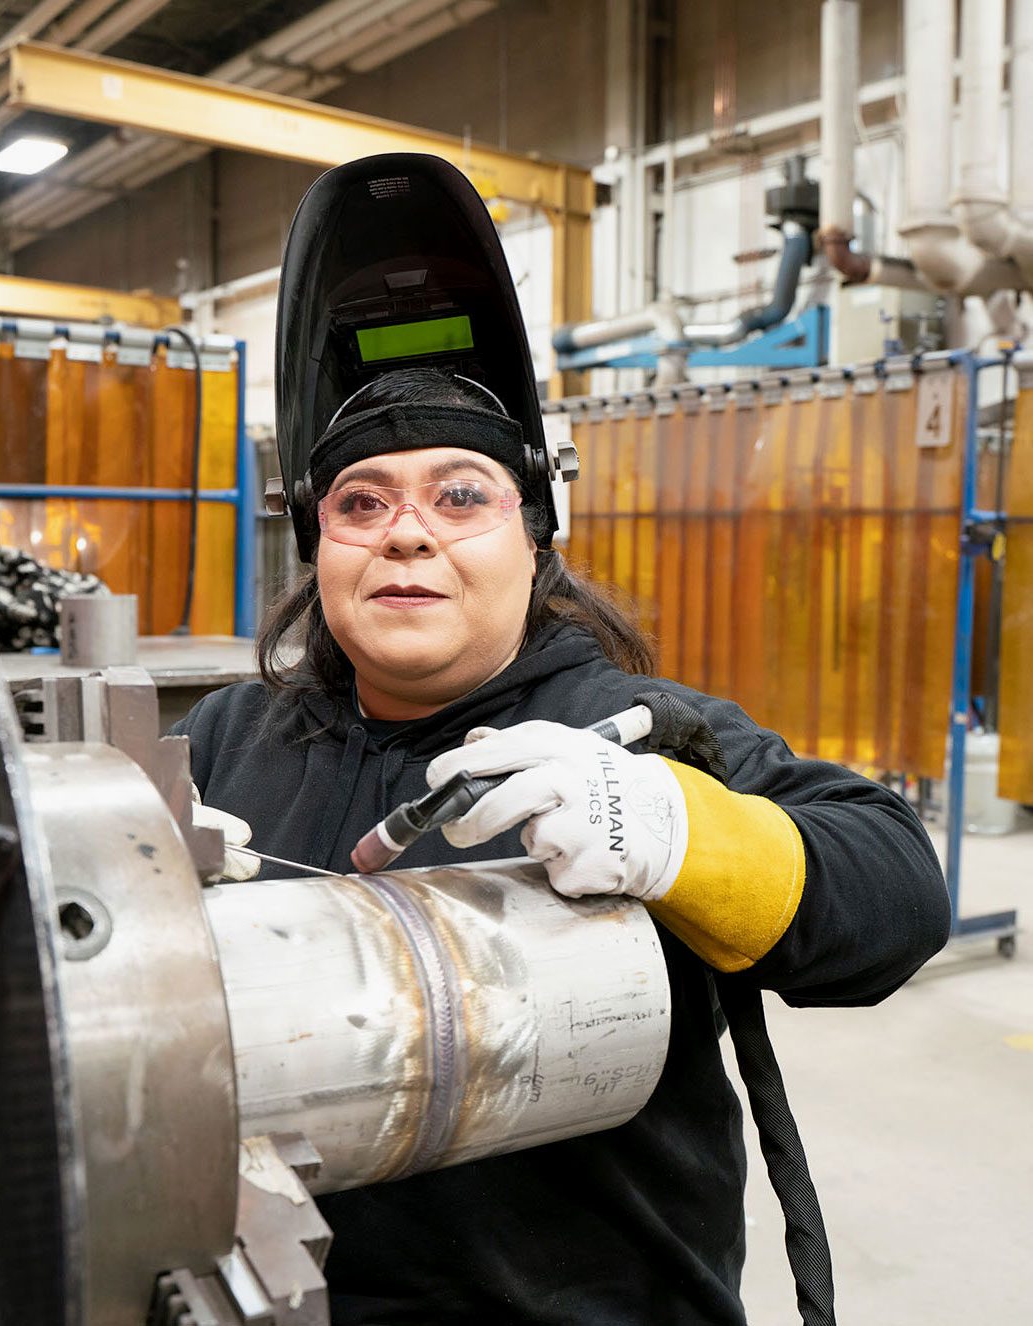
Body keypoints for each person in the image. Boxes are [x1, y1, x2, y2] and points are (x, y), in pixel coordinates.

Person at [176, 155, 951, 1325]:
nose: (406, 535)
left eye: (461, 496)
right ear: (317, 541)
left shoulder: (627, 735)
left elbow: (899, 892)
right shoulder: (234, 735)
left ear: (535, 541)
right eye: (362, 502)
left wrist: (681, 834)